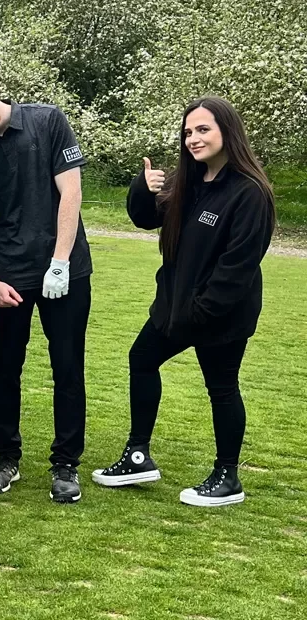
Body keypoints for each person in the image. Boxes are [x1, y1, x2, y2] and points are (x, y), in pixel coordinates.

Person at [92, 97, 275, 507]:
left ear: (228, 131)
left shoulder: (249, 192)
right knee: (142, 359)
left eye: (203, 129)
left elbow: (238, 266)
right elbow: (146, 218)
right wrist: (142, 188)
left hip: (220, 316)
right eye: (188, 132)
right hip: (174, 307)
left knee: (222, 388)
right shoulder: (187, 182)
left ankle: (227, 477)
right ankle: (138, 456)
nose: (193, 138)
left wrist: (201, 311)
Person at [0, 68, 92, 504]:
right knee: (6, 367)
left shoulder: (48, 120)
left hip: (66, 267)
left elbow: (71, 193)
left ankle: (66, 464)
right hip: (10, 271)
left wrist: (59, 262)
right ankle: (6, 458)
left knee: (67, 366)